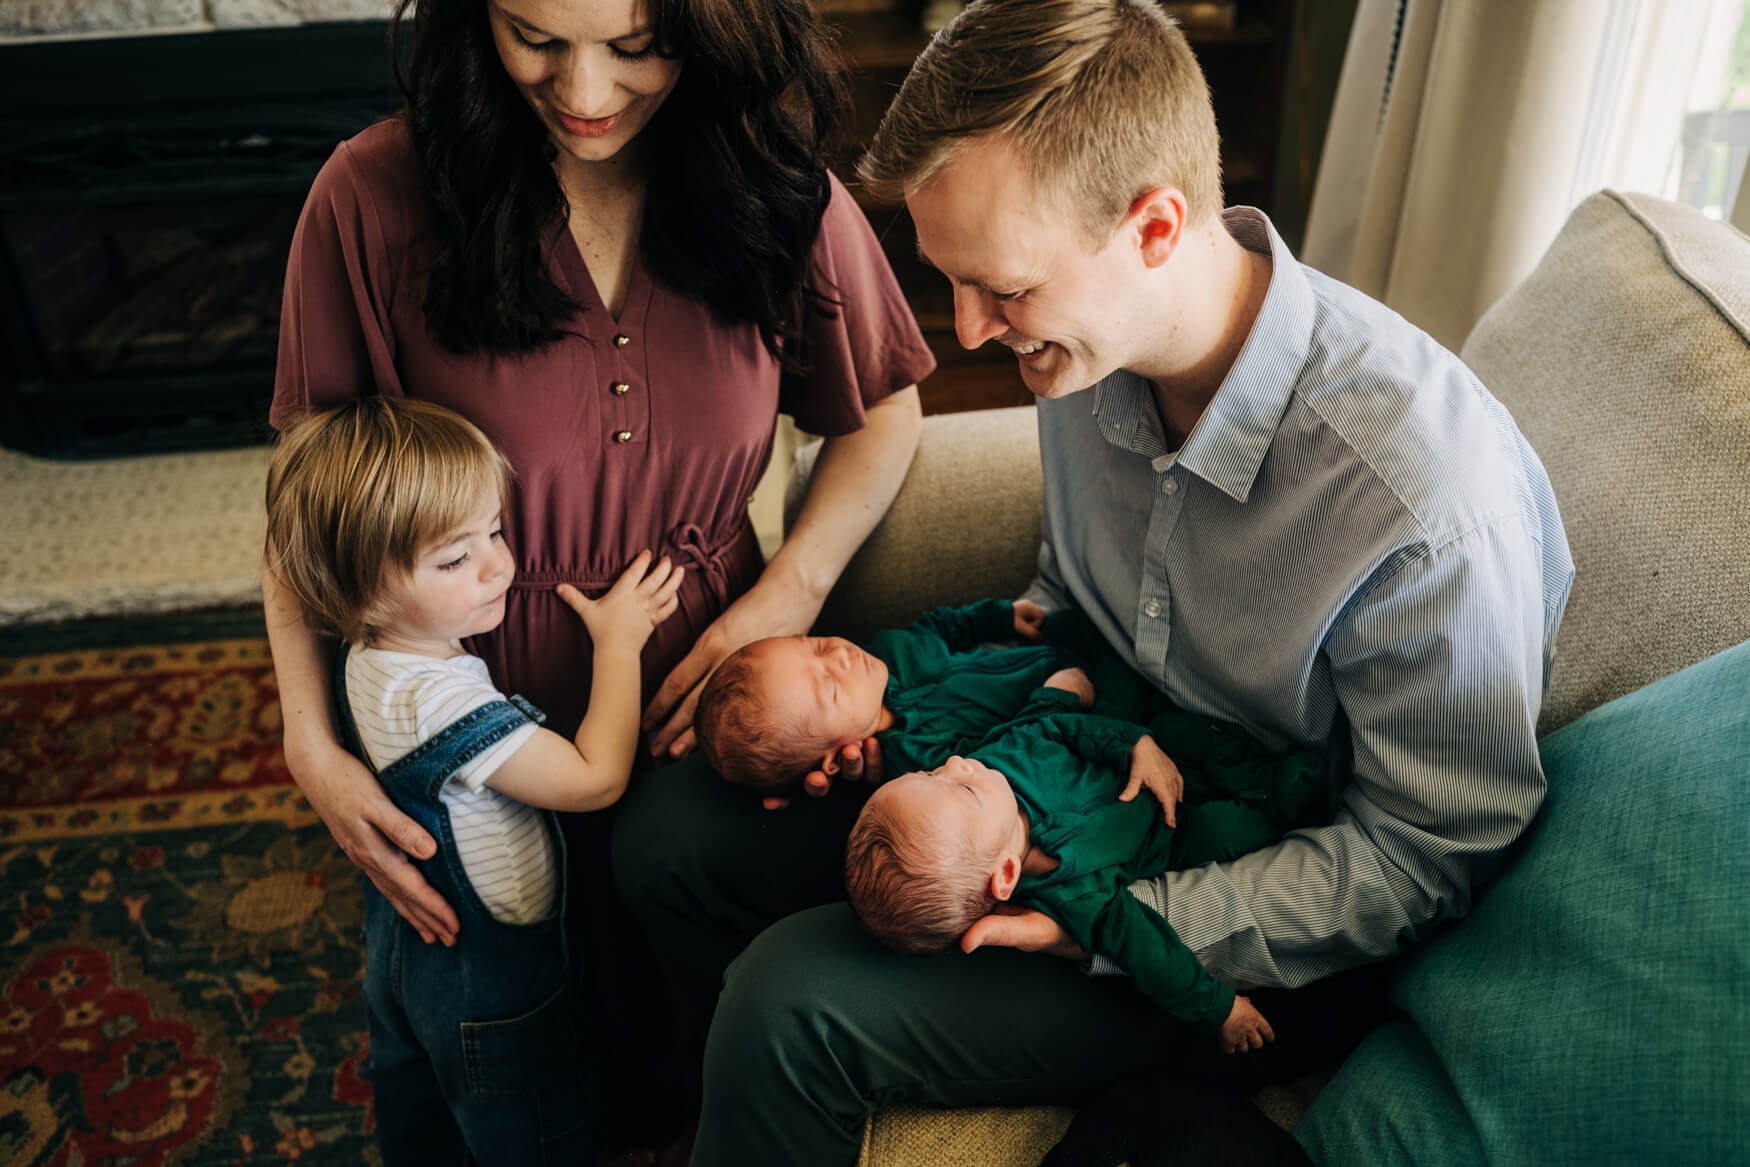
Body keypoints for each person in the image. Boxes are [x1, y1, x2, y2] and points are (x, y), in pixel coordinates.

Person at [613, 1, 1576, 1162]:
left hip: (1237, 887)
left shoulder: (1419, 509)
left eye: (1002, 289)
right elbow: (1063, 603)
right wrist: (920, 715)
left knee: (789, 1004)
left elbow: (1425, 859)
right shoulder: (1087, 355)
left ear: (1156, 227)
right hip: (1053, 764)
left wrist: (1118, 931)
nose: (969, 334)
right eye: (953, 283)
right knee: (671, 828)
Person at [262, 0, 932, 1147]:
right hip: (478, 734)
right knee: (498, 1047)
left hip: (707, 717)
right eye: (535, 35)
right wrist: (309, 741)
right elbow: (305, 500)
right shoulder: (369, 196)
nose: (583, 90)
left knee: (697, 1043)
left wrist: (791, 592)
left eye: (637, 47)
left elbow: (886, 411)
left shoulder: (770, 183)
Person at [264, 398, 685, 1163]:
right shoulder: (435, 697)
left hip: (405, 956)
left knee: (420, 1107)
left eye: (494, 531)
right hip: (490, 988)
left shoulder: (373, 654)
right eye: (454, 559)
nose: (499, 564)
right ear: (357, 593)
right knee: (531, 1132)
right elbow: (595, 779)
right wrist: (618, 642)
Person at [845, 672, 1332, 1053]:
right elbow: (1148, 947)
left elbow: (1055, 726)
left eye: (931, 772)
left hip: (1140, 757)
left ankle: (1261, 767)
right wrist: (1219, 1009)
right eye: (963, 787)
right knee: (1230, 831)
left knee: (1180, 731)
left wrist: (1133, 745)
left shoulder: (1002, 759)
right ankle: (1277, 797)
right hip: (1168, 837)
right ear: (1006, 875)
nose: (957, 764)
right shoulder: (1073, 895)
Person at [696, 598, 1141, 800]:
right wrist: (1056, 700)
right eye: (829, 687)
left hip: (1057, 647)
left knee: (1100, 622)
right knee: (1132, 676)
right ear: (832, 762)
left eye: (811, 644)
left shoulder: (887, 651)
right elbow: (1011, 756)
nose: (838, 655)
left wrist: (999, 617)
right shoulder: (917, 764)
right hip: (1082, 716)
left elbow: (941, 627)